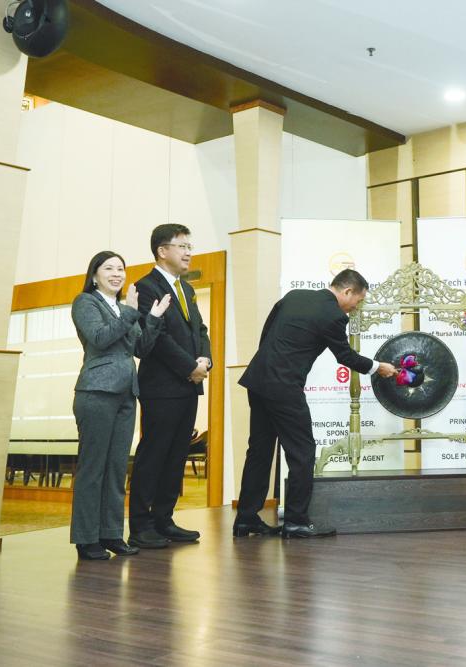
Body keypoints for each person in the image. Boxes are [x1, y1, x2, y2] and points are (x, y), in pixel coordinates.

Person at [235, 269, 398, 539]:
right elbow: (344, 355)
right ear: (347, 292)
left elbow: (267, 335)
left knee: (260, 451)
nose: (355, 307)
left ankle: (246, 519)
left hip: (259, 379)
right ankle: (297, 521)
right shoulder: (333, 315)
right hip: (284, 387)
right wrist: (377, 367)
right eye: (357, 301)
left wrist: (271, 365)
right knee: (302, 451)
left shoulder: (293, 296)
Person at [70, 251, 171, 560]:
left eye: (121, 269)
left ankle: (111, 533)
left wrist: (152, 318)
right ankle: (87, 539)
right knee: (93, 469)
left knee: (115, 469)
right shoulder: (86, 302)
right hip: (97, 392)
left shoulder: (121, 308)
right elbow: (100, 339)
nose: (117, 273)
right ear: (95, 275)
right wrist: (130, 312)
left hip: (127, 393)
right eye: (109, 268)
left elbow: (139, 348)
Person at [128, 224, 212, 549]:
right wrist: (189, 366)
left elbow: (200, 329)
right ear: (162, 251)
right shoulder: (146, 287)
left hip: (188, 387)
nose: (189, 252)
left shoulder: (186, 289)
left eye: (190, 245)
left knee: (177, 455)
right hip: (161, 387)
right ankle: (140, 524)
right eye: (182, 246)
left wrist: (205, 360)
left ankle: (164, 519)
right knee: (154, 454)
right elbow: (156, 338)